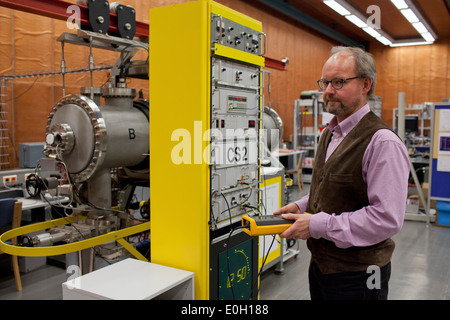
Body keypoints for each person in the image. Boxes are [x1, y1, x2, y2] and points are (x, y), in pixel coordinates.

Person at [274, 46, 410, 300]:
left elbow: (386, 219)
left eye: (338, 82)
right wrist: (301, 206)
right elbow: (331, 187)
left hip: (359, 276)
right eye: (325, 82)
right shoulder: (329, 133)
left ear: (365, 84)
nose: (327, 91)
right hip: (322, 267)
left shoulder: (382, 142)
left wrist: (317, 224)